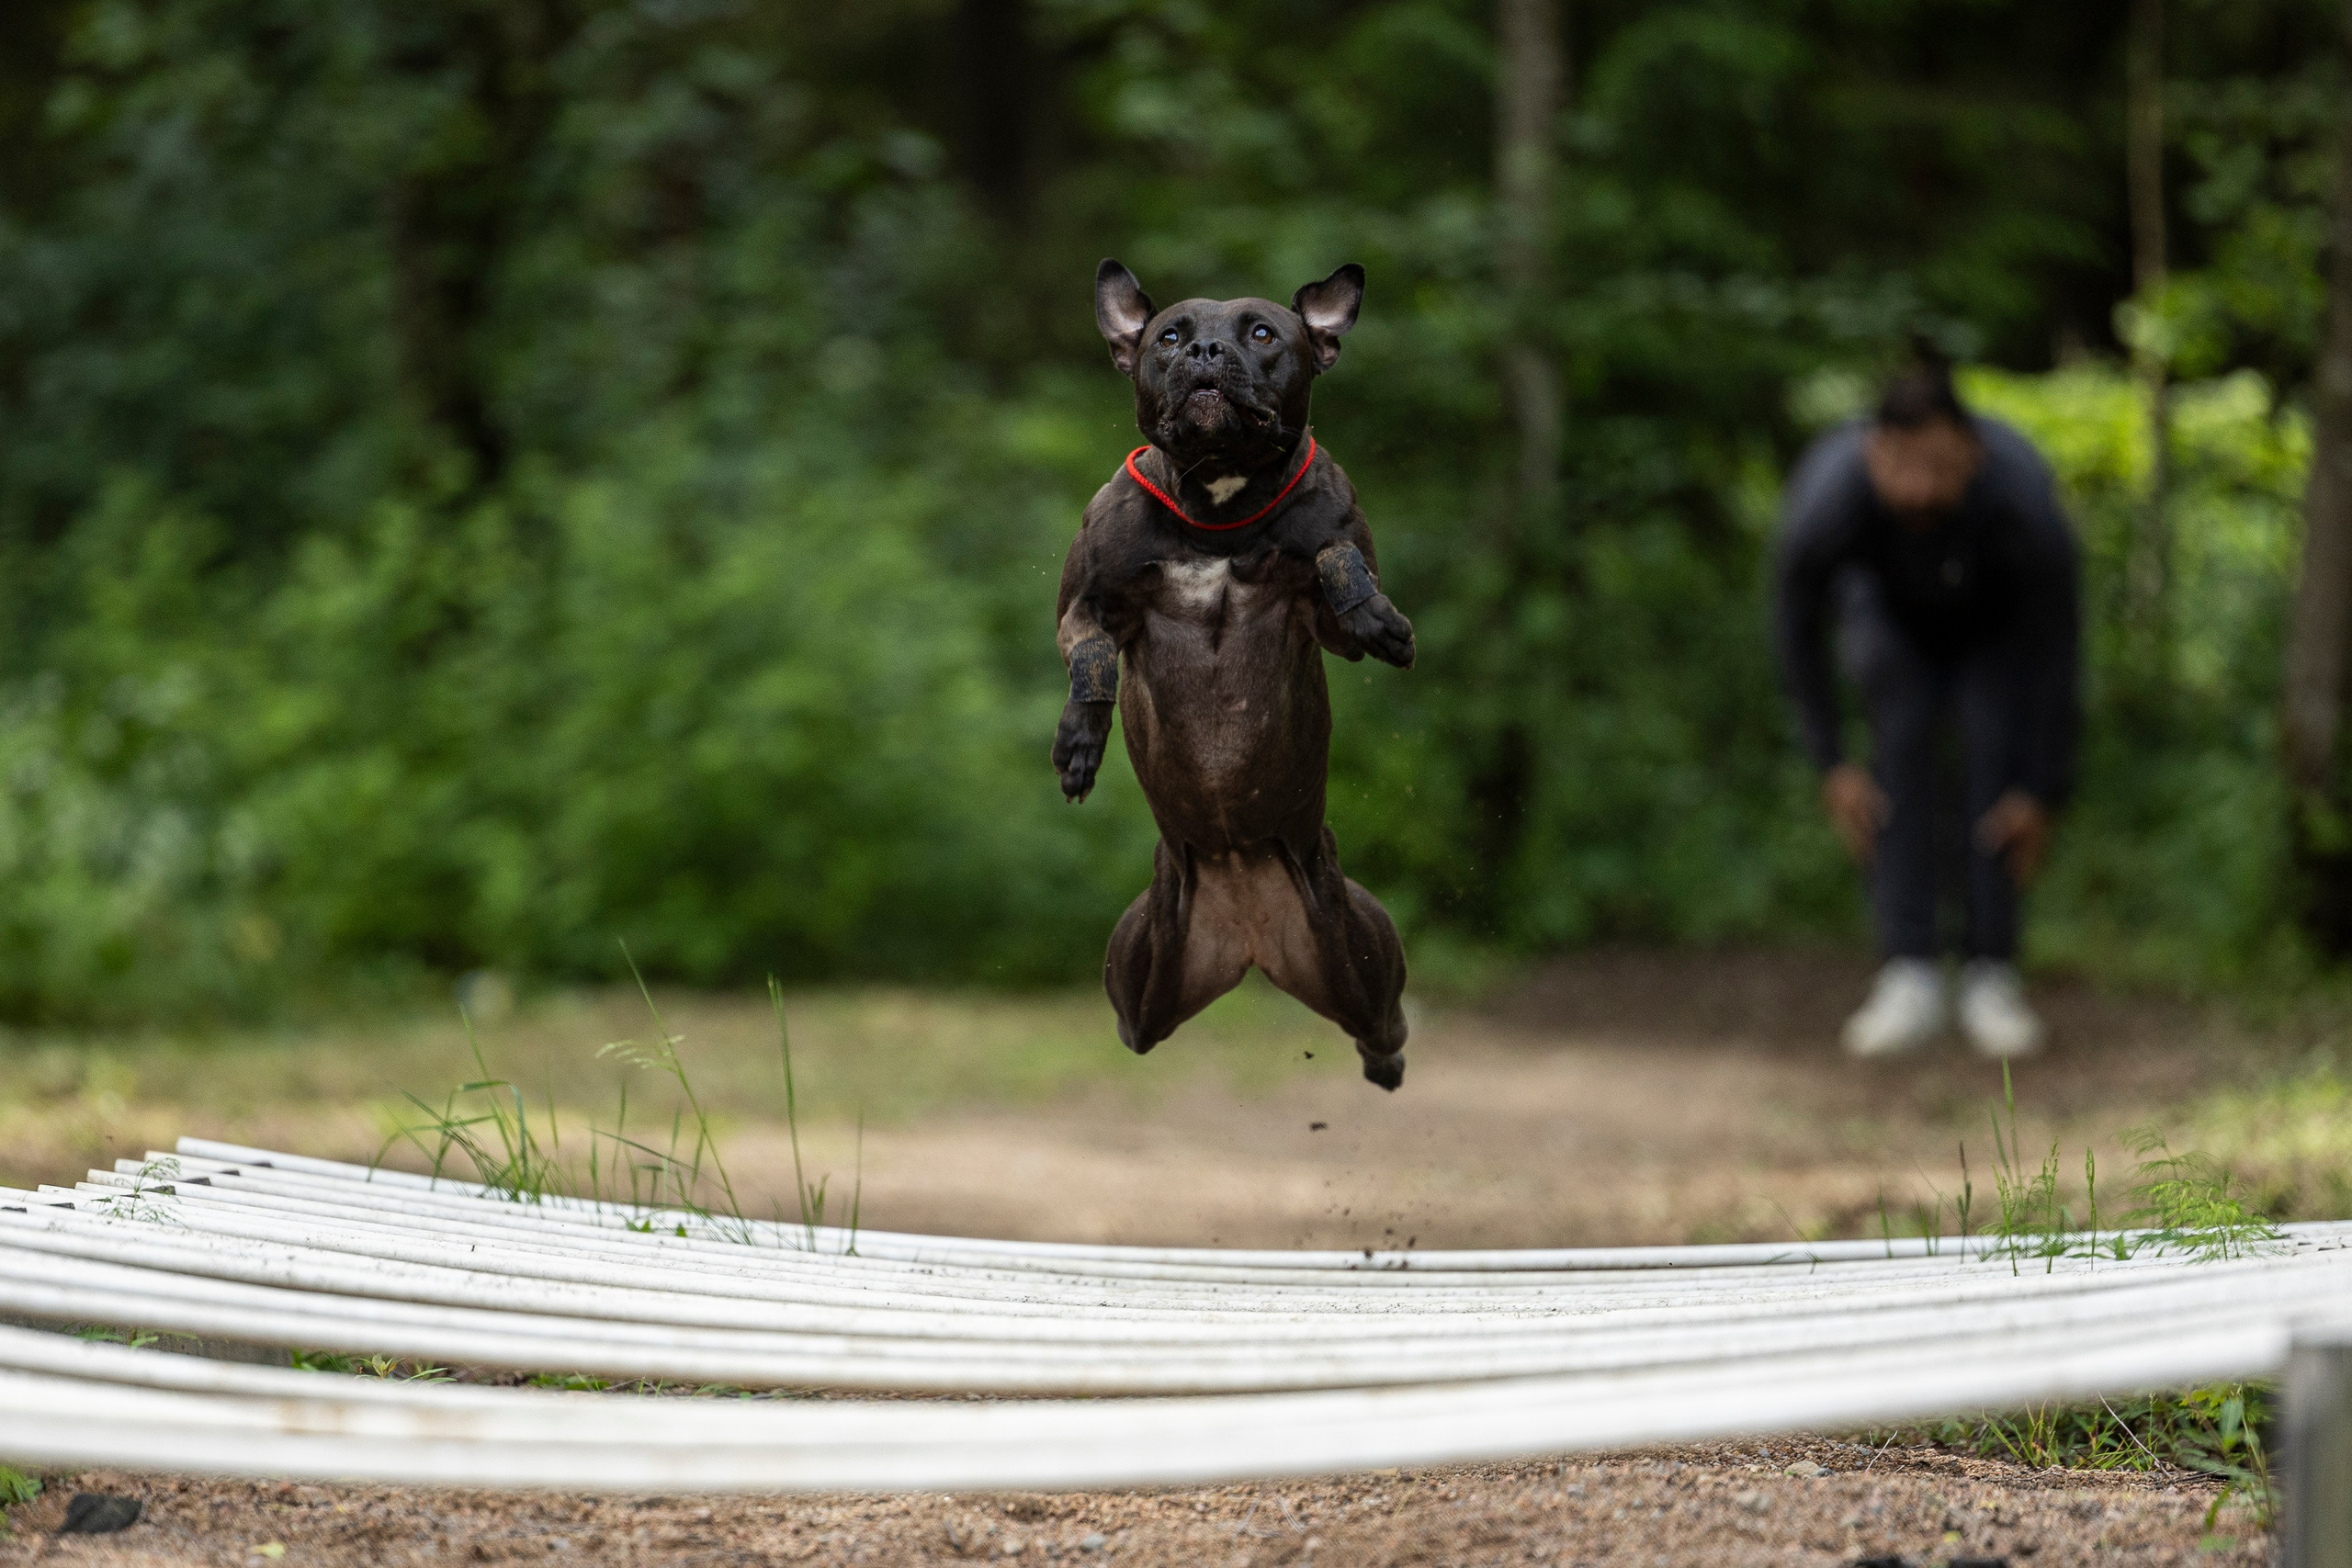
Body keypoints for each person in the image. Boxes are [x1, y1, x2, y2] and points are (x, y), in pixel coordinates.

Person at [1773, 362, 2080, 1058]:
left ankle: (1990, 970)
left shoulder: (2023, 499)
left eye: (1939, 468)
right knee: (1900, 742)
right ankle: (1907, 967)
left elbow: (2059, 647)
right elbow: (1794, 628)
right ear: (1871, 453)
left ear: (1972, 451)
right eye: (1901, 467)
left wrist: (2043, 786)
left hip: (1992, 629)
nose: (1919, 488)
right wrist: (1830, 762)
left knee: (1992, 751)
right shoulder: (1830, 499)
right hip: (1886, 619)